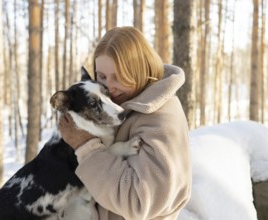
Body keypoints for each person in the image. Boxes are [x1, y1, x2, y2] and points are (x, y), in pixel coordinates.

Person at [58, 26, 191, 220]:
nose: (109, 88)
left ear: (139, 71)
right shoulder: (120, 106)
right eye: (101, 77)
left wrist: (86, 147)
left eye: (119, 77)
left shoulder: (161, 118)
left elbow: (139, 203)